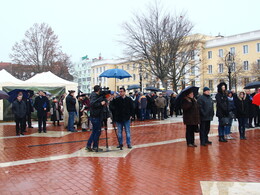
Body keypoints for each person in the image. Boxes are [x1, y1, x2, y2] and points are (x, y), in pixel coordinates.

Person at [86, 85, 106, 152]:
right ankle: (95, 146)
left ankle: (89, 145)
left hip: (95, 116)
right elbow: (93, 104)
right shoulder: (94, 96)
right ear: (98, 90)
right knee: (97, 132)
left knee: (94, 132)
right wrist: (101, 103)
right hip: (96, 116)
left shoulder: (93, 95)